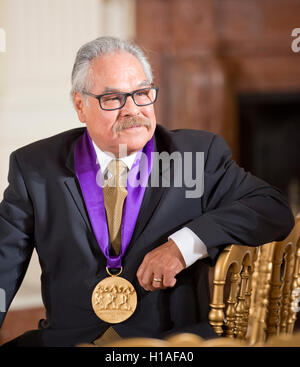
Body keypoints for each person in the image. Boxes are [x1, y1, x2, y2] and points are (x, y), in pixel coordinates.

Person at [0, 36, 294, 347]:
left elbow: (272, 208)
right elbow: (4, 260)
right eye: (113, 98)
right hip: (71, 341)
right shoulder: (35, 167)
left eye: (141, 93)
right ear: (80, 105)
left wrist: (184, 246)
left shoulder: (195, 156)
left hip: (170, 343)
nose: (132, 110)